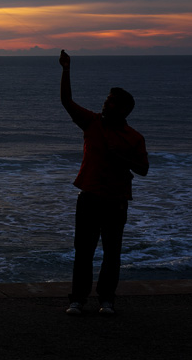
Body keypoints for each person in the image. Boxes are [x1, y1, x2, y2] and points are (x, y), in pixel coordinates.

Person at [59, 50, 149, 316]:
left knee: (112, 253)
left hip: (116, 200)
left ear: (123, 110)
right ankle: (77, 299)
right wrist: (66, 69)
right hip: (89, 196)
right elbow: (66, 101)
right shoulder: (91, 122)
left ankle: (106, 299)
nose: (104, 104)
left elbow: (143, 169)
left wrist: (119, 156)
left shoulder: (134, 137)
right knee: (83, 251)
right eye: (106, 100)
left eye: (110, 102)